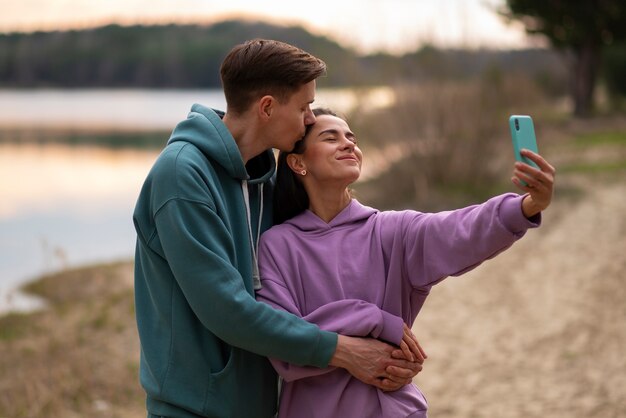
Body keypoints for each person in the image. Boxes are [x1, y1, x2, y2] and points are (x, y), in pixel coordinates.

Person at [133, 40, 423, 418]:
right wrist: (345, 352)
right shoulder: (181, 176)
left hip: (261, 405)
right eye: (304, 107)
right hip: (193, 408)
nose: (309, 119)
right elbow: (226, 310)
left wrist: (387, 348)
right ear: (267, 107)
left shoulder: (263, 180)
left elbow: (317, 270)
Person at [255, 108, 556, 417]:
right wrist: (373, 319)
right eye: (331, 138)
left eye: (351, 137)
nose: (348, 144)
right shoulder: (278, 245)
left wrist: (526, 206)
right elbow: (281, 341)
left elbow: (460, 229)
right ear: (298, 162)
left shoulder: (392, 231)